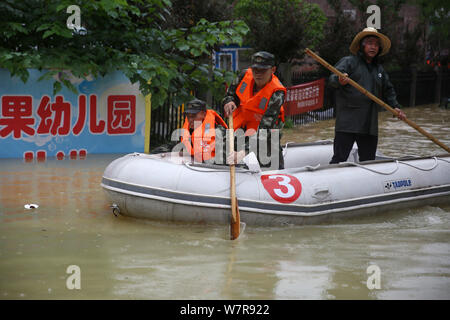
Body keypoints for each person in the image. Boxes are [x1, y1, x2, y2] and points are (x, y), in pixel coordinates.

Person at [329, 27, 406, 164]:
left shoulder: (379, 69)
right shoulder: (349, 62)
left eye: (376, 45)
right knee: (339, 158)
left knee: (368, 161)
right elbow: (333, 78)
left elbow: (389, 89)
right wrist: (340, 80)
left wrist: (395, 107)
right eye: (370, 43)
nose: (373, 47)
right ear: (362, 45)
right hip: (348, 121)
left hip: (369, 123)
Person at [222, 51, 286, 169]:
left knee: (269, 162)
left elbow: (266, 128)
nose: (258, 74)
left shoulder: (277, 92)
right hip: (241, 128)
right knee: (227, 154)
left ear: (273, 70)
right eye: (255, 70)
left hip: (265, 135)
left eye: (263, 71)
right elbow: (229, 94)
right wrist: (229, 101)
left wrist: (245, 152)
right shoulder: (243, 76)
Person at [151, 99, 228, 163]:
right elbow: (170, 147)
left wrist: (190, 156)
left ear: (203, 114)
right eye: (188, 116)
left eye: (193, 116)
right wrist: (151, 156)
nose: (190, 120)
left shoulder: (220, 132)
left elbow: (223, 160)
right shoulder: (188, 133)